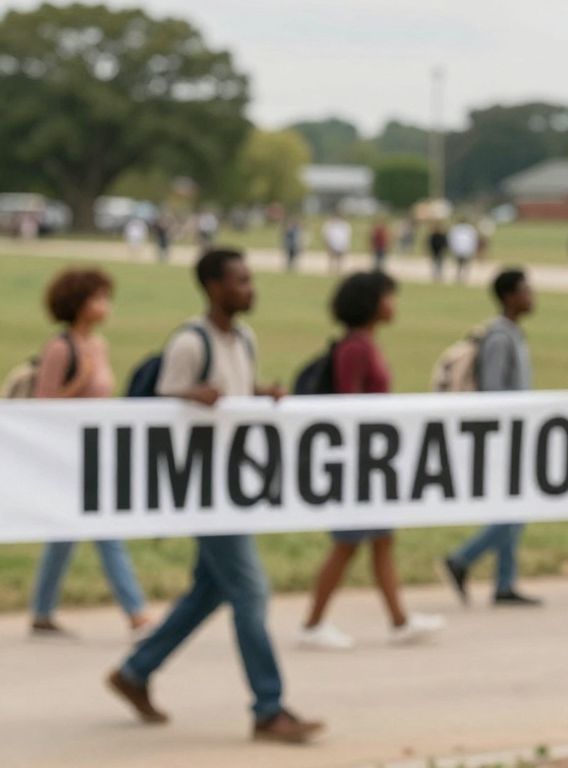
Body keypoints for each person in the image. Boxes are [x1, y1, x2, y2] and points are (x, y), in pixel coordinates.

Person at [108, 248, 323, 744]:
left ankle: (136, 671)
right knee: (250, 591)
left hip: (233, 484)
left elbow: (234, 398)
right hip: (200, 487)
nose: (250, 289)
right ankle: (268, 708)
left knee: (210, 590)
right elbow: (156, 410)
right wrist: (186, 396)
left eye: (250, 280)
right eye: (240, 281)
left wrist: (261, 395)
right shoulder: (189, 342)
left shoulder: (243, 338)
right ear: (212, 287)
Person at [299, 272, 445, 649]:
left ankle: (399, 619)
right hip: (357, 464)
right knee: (347, 544)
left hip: (371, 461)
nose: (393, 305)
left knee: (382, 539)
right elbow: (350, 404)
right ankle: (313, 623)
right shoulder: (357, 348)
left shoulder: (364, 344)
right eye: (388, 297)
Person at [29, 269, 151, 639]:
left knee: (64, 535)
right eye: (98, 298)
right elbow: (42, 405)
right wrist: (78, 382)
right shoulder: (60, 348)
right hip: (66, 456)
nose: (105, 306)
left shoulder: (99, 346)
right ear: (80, 304)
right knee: (105, 529)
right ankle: (136, 612)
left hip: (95, 451)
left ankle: (42, 609)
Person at [444, 269, 542, 607]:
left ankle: (504, 582)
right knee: (517, 507)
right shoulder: (500, 337)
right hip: (503, 435)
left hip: (514, 432)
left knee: (513, 505)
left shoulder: (512, 333)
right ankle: (462, 559)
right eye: (526, 290)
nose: (533, 296)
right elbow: (495, 390)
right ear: (509, 296)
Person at [448, 217, 478, 284]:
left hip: (460, 249)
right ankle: (461, 277)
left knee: (460, 265)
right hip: (464, 249)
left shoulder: (456, 229)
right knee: (463, 265)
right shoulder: (469, 229)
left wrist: (452, 248)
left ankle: (460, 277)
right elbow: (473, 240)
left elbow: (451, 240)